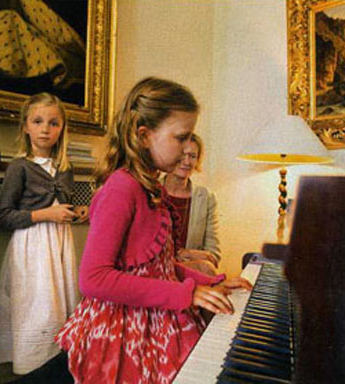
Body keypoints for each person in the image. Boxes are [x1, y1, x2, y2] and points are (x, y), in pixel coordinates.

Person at [55, 77, 251, 383]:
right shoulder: (122, 188)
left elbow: (155, 268)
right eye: (181, 138)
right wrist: (189, 293)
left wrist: (211, 282)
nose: (189, 149)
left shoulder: (151, 186)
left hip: (155, 318)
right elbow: (94, 279)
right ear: (144, 136)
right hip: (125, 330)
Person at [0, 92, 84, 378]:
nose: (45, 129)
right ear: (26, 126)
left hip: (60, 248)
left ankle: (57, 371)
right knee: (37, 309)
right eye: (38, 121)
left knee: (61, 308)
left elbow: (61, 205)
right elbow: (2, 215)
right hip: (32, 252)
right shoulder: (19, 167)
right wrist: (45, 215)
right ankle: (32, 370)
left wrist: (77, 211)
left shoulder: (65, 168)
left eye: (53, 123)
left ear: (62, 128)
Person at [161, 133, 220, 276]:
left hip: (192, 275)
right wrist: (186, 254)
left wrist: (187, 256)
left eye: (192, 156)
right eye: (182, 154)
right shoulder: (151, 192)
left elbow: (213, 256)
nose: (186, 161)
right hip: (158, 274)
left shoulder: (206, 198)